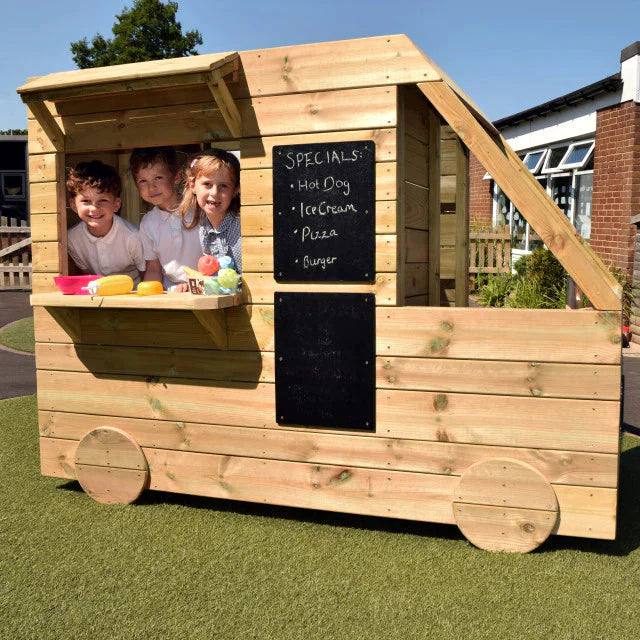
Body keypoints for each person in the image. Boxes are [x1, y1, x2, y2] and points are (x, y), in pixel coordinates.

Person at [130, 146, 201, 292]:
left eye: (158, 178)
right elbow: (153, 268)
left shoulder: (200, 209)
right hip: (171, 290)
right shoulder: (148, 223)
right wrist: (149, 297)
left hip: (207, 286)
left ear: (176, 177)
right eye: (143, 181)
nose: (152, 187)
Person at [67, 160, 145, 284]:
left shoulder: (133, 236)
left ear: (116, 204)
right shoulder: (72, 239)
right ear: (73, 205)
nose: (94, 208)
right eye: (86, 201)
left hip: (133, 295)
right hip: (98, 295)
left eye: (102, 200)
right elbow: (87, 276)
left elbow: (146, 276)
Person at [178, 148, 242, 273]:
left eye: (223, 186)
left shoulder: (240, 226)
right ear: (192, 185)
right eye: (207, 184)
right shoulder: (204, 228)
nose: (214, 193)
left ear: (235, 190)